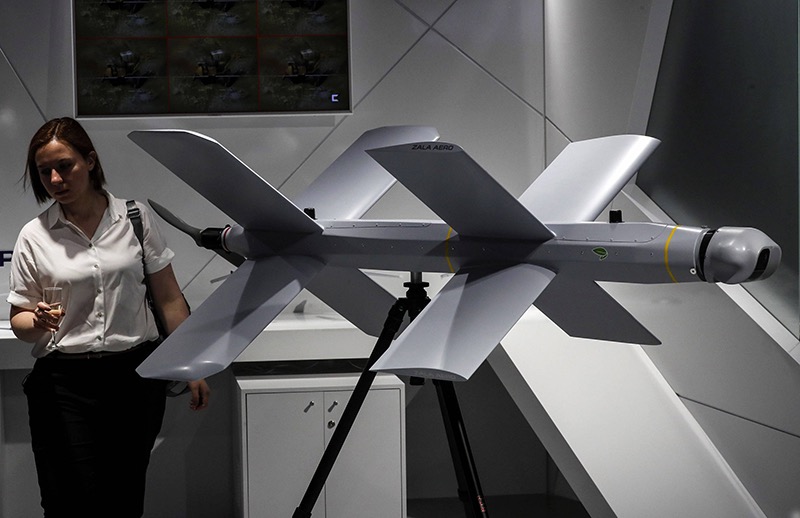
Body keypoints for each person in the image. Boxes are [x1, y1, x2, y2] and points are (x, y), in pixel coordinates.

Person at [7, 117, 211, 517]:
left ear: (90, 161)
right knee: (70, 500)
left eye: (64, 165)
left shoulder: (134, 218)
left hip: (132, 379)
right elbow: (20, 322)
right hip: (64, 383)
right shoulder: (35, 234)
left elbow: (169, 298)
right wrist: (38, 321)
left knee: (124, 496)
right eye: (44, 171)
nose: (55, 179)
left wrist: (192, 365)